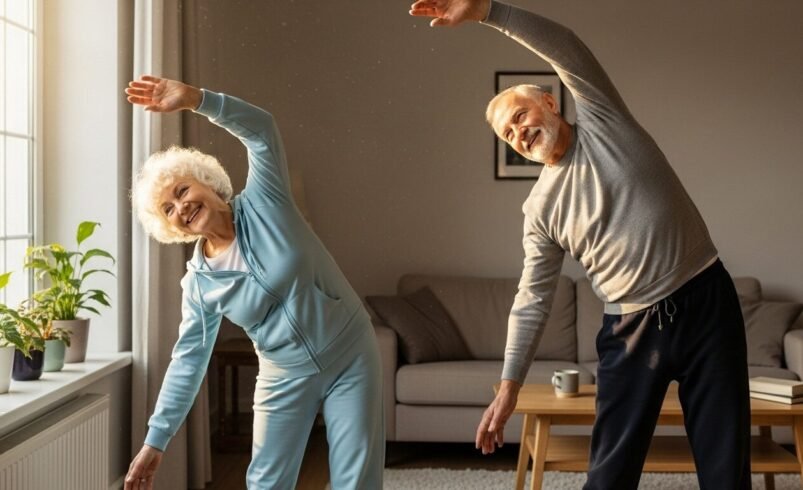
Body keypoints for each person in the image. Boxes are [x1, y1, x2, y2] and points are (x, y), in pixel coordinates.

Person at [410, 1, 750, 489]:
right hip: (630, 330)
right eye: (509, 134)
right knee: (608, 478)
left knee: (726, 471)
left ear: (550, 101)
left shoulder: (605, 120)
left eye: (520, 115)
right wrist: (509, 389)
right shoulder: (540, 209)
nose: (520, 133)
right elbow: (532, 299)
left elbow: (565, 46)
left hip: (706, 302)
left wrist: (486, 10)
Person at [123, 76, 384, 490]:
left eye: (182, 189)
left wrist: (198, 100)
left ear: (207, 181)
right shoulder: (200, 285)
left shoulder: (267, 200)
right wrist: (156, 441)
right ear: (170, 227)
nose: (181, 206)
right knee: (266, 484)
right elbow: (188, 360)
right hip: (283, 375)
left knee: (357, 482)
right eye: (168, 209)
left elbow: (262, 131)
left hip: (351, 353)